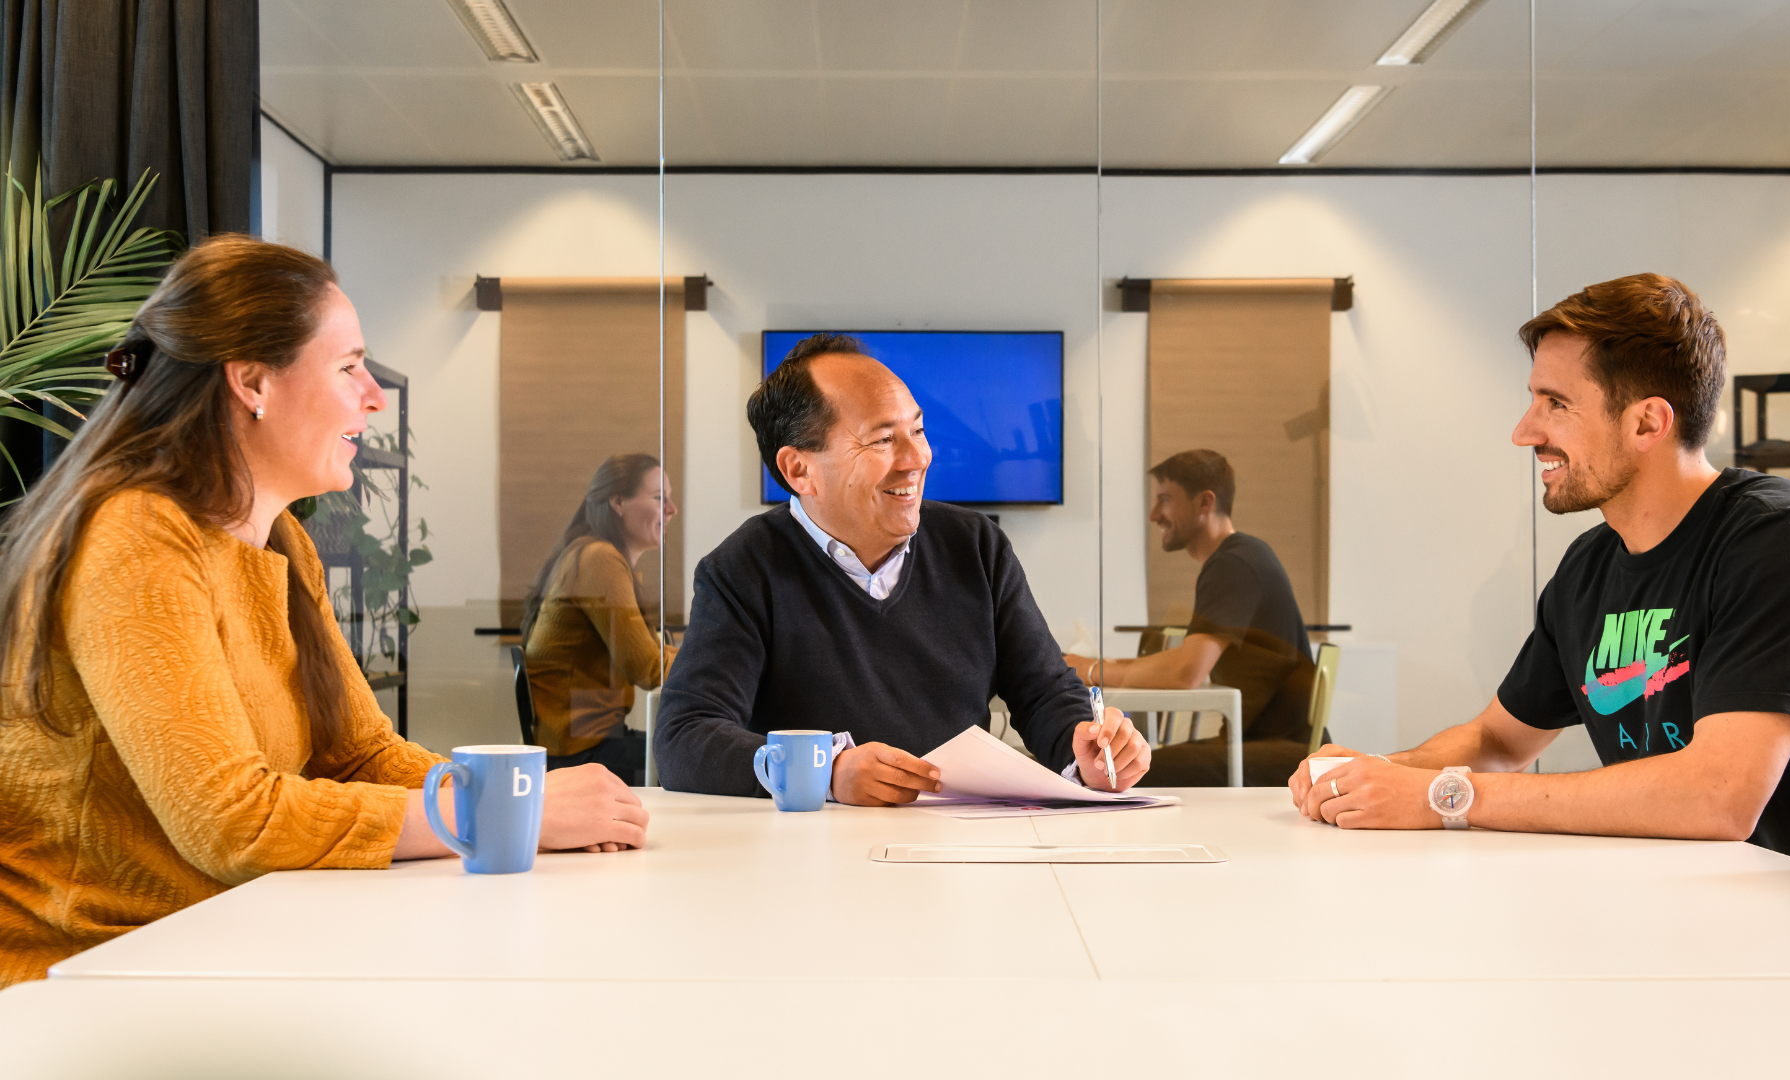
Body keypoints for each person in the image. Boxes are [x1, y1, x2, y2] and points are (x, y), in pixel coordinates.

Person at [0, 237, 649, 988]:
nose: (374, 397)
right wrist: (509, 815)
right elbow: (230, 822)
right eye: (348, 368)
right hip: (87, 977)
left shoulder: (282, 540)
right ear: (252, 382)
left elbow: (361, 755)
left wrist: (517, 803)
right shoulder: (136, 534)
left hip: (218, 945)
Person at [1291, 273, 1790, 872]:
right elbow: (1498, 741)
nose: (1524, 432)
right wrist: (1373, 774)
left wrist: (1444, 797)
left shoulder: (1782, 542)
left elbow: (1718, 797)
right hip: (1672, 898)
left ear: (1647, 423)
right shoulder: (1591, 565)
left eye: (1556, 404)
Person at [655, 333, 1149, 804]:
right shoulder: (741, 569)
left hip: (959, 842)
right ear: (799, 470)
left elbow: (1045, 694)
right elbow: (685, 736)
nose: (917, 459)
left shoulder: (976, 546)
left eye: (917, 430)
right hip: (816, 844)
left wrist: (1087, 751)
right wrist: (826, 773)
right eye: (882, 440)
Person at [1065, 449, 1317, 785]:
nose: (1154, 515)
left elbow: (1186, 672)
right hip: (1268, 744)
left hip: (1279, 752)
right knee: (1118, 765)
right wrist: (1094, 666)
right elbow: (1183, 662)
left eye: (1165, 500)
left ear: (1204, 503)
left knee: (1114, 772)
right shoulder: (1239, 557)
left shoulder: (1234, 564)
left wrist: (1090, 670)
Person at [522, 453, 679, 785]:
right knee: (701, 758)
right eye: (658, 497)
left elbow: (649, 655)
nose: (672, 509)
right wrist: (716, 665)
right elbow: (647, 667)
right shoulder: (599, 559)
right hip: (582, 756)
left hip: (583, 746)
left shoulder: (592, 554)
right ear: (618, 502)